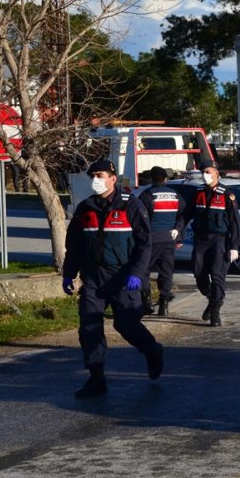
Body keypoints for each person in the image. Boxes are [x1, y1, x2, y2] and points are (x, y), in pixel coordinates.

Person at [62, 158, 164, 398]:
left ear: (113, 178)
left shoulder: (131, 205)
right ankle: (96, 378)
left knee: (126, 324)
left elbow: (144, 244)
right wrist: (68, 274)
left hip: (123, 277)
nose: (96, 180)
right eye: (93, 176)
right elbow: (74, 245)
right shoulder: (85, 208)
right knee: (89, 327)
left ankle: (152, 351)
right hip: (94, 279)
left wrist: (137, 274)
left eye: (101, 175)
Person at [190, 159, 240, 326]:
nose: (205, 175)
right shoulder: (198, 192)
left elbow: (235, 223)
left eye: (208, 172)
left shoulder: (227, 194)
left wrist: (234, 246)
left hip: (220, 241)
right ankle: (213, 300)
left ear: (217, 174)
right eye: (203, 171)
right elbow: (187, 213)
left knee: (217, 275)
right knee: (199, 273)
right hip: (201, 240)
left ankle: (215, 313)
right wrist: (178, 227)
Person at [138, 166, 185, 316]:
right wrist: (177, 231)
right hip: (168, 239)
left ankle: (147, 303)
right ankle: (163, 306)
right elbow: (182, 215)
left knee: (144, 271)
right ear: (165, 179)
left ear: (151, 179)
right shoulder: (175, 195)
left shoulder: (147, 195)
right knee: (166, 273)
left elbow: (140, 219)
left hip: (151, 240)